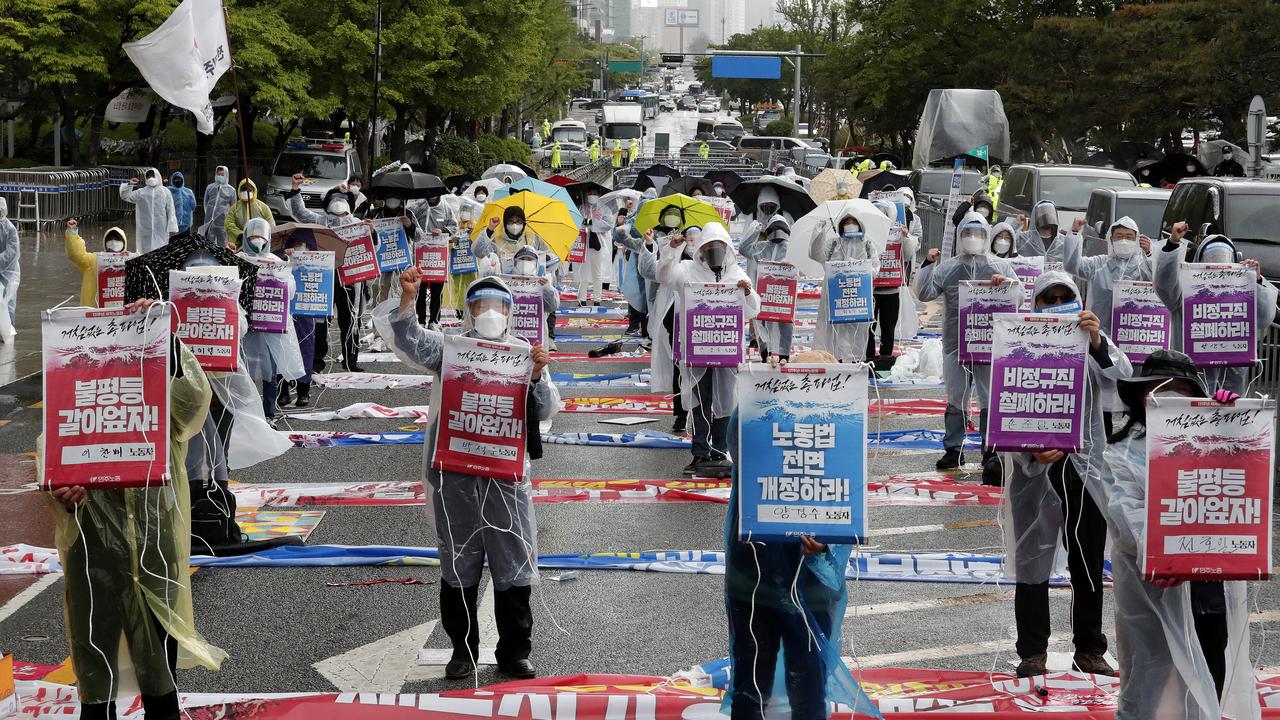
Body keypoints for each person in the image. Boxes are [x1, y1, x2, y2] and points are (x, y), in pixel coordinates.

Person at [46, 298, 227, 719]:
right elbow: (51, 456)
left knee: (159, 675)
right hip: (92, 549)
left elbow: (194, 400)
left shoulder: (160, 393)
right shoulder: (71, 395)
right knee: (95, 669)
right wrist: (61, 491)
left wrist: (168, 341)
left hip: (154, 542)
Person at [374, 268, 554, 681]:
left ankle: (514, 652)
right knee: (459, 562)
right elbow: (410, 341)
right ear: (469, 310)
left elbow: (545, 410)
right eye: (480, 304)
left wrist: (537, 376)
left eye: (498, 305)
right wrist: (408, 299)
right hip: (454, 473)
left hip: (505, 477)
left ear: (509, 311)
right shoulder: (451, 349)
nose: (490, 312)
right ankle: (462, 649)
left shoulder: (523, 354)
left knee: (513, 561)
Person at [722, 350, 877, 720]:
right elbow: (736, 442)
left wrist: (826, 548)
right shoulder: (761, 423)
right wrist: (762, 389)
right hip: (753, 578)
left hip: (809, 586)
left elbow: (844, 505)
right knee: (750, 684)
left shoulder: (839, 437)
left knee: (807, 685)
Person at [1104, 350, 1259, 719]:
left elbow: (1247, 486)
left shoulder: (1216, 441)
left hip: (1207, 586)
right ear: (1141, 397)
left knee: (1208, 669)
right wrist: (1163, 556)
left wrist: (1237, 426)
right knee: (1147, 674)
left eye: (1181, 389)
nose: (1170, 396)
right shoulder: (1123, 452)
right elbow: (1126, 519)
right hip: (1151, 586)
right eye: (1159, 388)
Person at [1002, 271, 1131, 679]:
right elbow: (1008, 406)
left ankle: (1089, 649)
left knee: (1088, 559)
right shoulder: (1017, 344)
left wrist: (1096, 342)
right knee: (1032, 559)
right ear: (1035, 305)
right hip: (1035, 470)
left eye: (1065, 297)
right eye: (1049, 299)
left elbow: (1122, 379)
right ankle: (1032, 652)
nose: (1058, 305)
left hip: (1084, 468)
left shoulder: (1090, 340)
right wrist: (1031, 450)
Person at [915, 213, 1017, 471]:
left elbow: (1019, 299)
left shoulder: (1000, 266)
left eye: (979, 234)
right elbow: (925, 293)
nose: (973, 238)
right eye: (968, 233)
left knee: (989, 398)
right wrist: (928, 264)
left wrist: (1006, 285)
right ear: (960, 237)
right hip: (955, 343)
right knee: (956, 397)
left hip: (988, 344)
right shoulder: (948, 268)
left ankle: (990, 450)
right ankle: (953, 449)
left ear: (987, 236)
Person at [657, 223, 759, 478]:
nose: (715, 250)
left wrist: (747, 292)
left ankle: (720, 450)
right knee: (700, 401)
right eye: (710, 246)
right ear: (701, 248)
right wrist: (671, 251)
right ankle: (700, 451)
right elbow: (664, 277)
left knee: (726, 401)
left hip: (726, 351)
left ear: (728, 249)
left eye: (720, 246)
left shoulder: (736, 273)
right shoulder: (686, 270)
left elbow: (753, 309)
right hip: (697, 350)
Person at [1154, 221, 1278, 394]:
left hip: (1233, 374)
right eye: (1211, 258)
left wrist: (1255, 281)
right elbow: (1164, 285)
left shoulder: (1242, 291)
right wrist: (1173, 243)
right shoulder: (1185, 291)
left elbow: (1263, 317)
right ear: (1200, 260)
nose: (1218, 264)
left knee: (1230, 408)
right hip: (1191, 373)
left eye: (1224, 257)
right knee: (1194, 403)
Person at [286, 175, 366, 371]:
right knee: (319, 319)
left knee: (350, 319)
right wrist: (295, 190)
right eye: (334, 199)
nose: (338, 202)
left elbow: (373, 247)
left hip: (349, 278)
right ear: (327, 203)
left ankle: (351, 361)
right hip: (324, 277)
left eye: (342, 199)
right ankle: (316, 362)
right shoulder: (320, 221)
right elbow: (300, 213)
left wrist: (370, 232)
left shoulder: (357, 223)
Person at [236, 217, 306, 422]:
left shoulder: (276, 261)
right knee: (244, 368)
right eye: (253, 234)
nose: (257, 239)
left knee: (270, 371)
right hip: (246, 323)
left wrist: (281, 271)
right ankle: (246, 413)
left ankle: (268, 413)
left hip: (270, 324)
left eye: (261, 234)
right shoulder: (237, 259)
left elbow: (290, 292)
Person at [476, 206, 561, 350]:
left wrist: (544, 259)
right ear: (505, 223)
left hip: (533, 287)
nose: (515, 225)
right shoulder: (497, 240)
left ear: (524, 222)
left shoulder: (533, 237)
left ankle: (549, 338)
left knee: (544, 308)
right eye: (511, 221)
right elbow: (478, 250)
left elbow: (550, 257)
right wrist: (490, 229)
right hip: (508, 288)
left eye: (519, 221)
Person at [810, 207, 884, 364]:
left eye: (853, 221)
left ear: (860, 224)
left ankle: (854, 361)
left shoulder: (867, 245)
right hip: (835, 297)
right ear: (841, 225)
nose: (850, 225)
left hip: (857, 296)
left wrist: (856, 267)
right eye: (846, 222)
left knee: (856, 331)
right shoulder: (833, 244)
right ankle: (834, 360)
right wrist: (819, 232)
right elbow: (815, 254)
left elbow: (875, 270)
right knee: (832, 332)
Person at [867, 198, 920, 366]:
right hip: (871, 288)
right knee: (869, 325)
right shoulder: (867, 231)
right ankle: (868, 355)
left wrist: (906, 237)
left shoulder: (898, 232)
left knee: (888, 325)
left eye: (884, 212)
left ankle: (885, 356)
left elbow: (908, 253)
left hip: (892, 288)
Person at [738, 214, 793, 362]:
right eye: (773, 229)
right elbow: (743, 249)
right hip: (764, 292)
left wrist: (792, 265)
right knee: (761, 322)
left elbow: (801, 268)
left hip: (784, 293)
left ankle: (784, 355)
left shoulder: (792, 249)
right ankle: (765, 353)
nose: (777, 233)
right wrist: (756, 227)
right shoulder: (761, 247)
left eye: (780, 229)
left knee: (785, 322)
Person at [63, 220, 128, 307]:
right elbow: (75, 254)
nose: (113, 242)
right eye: (110, 239)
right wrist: (72, 232)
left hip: (124, 313)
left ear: (124, 243)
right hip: (93, 312)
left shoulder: (132, 261)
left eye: (117, 239)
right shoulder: (93, 260)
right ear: (105, 243)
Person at [119, 168, 178, 253]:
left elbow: (171, 210)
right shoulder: (141, 193)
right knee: (144, 252)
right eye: (148, 176)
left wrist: (172, 227)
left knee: (160, 252)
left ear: (157, 176)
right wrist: (129, 184)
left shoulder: (165, 192)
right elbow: (125, 196)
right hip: (145, 231)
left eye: (152, 175)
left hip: (161, 230)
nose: (150, 178)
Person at [577, 188, 612, 306]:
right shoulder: (582, 208)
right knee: (583, 272)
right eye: (590, 193)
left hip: (599, 244)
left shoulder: (605, 209)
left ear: (599, 194)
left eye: (594, 193)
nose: (592, 195)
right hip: (584, 243)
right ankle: (582, 299)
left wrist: (592, 223)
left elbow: (608, 224)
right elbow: (577, 221)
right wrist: (588, 222)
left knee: (597, 272)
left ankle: (597, 299)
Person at [224, 178, 274, 248]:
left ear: (254, 191)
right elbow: (228, 224)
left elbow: (271, 225)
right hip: (239, 244)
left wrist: (259, 236)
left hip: (260, 244)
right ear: (239, 191)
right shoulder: (234, 208)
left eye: (249, 190)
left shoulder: (263, 208)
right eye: (244, 189)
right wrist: (243, 235)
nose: (246, 192)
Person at [200, 165, 236, 247]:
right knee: (208, 242)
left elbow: (233, 207)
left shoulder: (231, 190)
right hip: (209, 220)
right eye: (218, 174)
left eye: (222, 175)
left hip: (223, 221)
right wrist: (208, 213)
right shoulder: (210, 187)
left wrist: (228, 220)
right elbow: (205, 202)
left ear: (226, 175)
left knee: (222, 242)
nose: (220, 176)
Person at [0, 198, 18, 330]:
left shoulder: (10, 229)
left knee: (7, 301)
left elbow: (12, 253)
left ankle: (8, 330)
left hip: (8, 272)